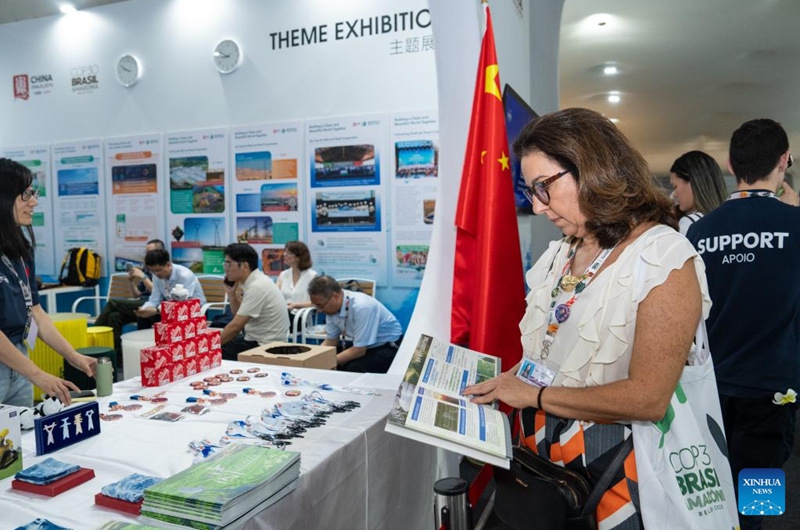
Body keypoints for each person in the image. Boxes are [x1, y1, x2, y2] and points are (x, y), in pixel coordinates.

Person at [463, 108, 711, 529]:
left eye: (544, 187)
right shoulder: (559, 252)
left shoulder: (663, 258)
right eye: (530, 192)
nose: (539, 208)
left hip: (614, 472)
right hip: (542, 463)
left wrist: (533, 396)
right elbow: (552, 352)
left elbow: (648, 399)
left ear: (594, 167)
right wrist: (504, 382)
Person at [686, 118, 800, 530]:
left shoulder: (699, 233)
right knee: (758, 494)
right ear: (784, 160)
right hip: (772, 388)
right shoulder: (796, 227)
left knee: (709, 486)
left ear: (731, 165)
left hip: (707, 387)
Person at [0, 158, 97, 407]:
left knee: (17, 443)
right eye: (26, 194)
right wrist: (38, 374)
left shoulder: (21, 251)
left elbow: (36, 312)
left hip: (18, 360)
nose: (34, 201)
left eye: (34, 193)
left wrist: (73, 356)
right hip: (16, 365)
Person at [308, 275, 402, 373]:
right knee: (328, 359)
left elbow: (359, 350)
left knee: (352, 368)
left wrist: (326, 363)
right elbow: (331, 342)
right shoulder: (331, 309)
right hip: (364, 346)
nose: (319, 310)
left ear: (335, 296)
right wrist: (313, 359)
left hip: (388, 346)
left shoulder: (362, 307)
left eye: (320, 305)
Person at [94, 239, 165, 362]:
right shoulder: (147, 268)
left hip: (155, 307)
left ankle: (93, 335)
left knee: (113, 302)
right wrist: (131, 281)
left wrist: (143, 277)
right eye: (146, 252)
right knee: (114, 316)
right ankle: (117, 357)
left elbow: (160, 293)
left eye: (150, 251)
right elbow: (137, 294)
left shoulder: (162, 268)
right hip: (141, 304)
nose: (147, 255)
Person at [220, 243, 289, 360]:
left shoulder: (257, 286)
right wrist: (232, 295)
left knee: (213, 354)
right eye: (225, 263)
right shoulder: (254, 281)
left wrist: (207, 346)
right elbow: (239, 318)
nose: (225, 269)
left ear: (245, 266)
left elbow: (236, 326)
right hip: (256, 340)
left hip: (264, 346)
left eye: (229, 264)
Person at [133, 248, 206, 326]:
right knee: (143, 316)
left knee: (165, 317)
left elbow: (182, 303)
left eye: (158, 270)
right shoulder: (157, 276)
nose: (156, 274)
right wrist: (144, 309)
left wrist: (157, 310)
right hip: (171, 310)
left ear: (168, 265)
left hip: (193, 310)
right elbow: (154, 300)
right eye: (152, 271)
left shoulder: (184, 275)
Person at [669, 150, 728, 235]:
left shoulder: (689, 224)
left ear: (692, 183)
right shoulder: (730, 220)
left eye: (675, 186)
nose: (674, 194)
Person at [275, 241, 317, 319]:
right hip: (283, 316)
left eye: (289, 253)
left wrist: (296, 305)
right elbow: (274, 295)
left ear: (299, 257)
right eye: (285, 252)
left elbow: (316, 302)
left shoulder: (312, 276)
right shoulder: (283, 275)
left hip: (301, 317)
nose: (285, 255)